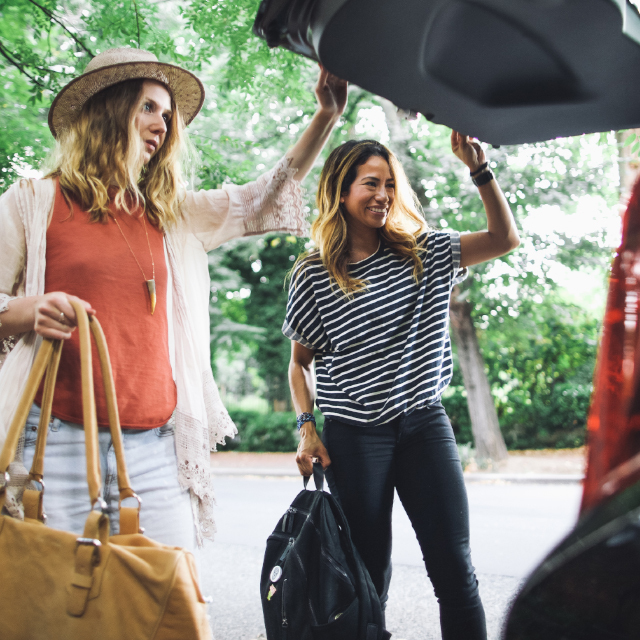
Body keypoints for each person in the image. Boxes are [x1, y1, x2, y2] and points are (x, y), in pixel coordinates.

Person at [0, 47, 347, 552]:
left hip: (157, 448)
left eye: (168, 114)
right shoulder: (34, 201)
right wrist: (24, 310)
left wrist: (327, 115)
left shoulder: (171, 215)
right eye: (148, 107)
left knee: (166, 609)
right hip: (53, 447)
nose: (162, 123)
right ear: (107, 110)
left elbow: (262, 197)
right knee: (65, 611)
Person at [284, 135, 519, 640]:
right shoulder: (313, 272)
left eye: (390, 184)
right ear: (341, 190)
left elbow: (504, 239)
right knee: (368, 576)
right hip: (353, 435)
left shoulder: (425, 252)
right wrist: (307, 430)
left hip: (423, 424)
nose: (383, 194)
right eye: (371, 183)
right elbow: (299, 364)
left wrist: (480, 170)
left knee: (455, 572)